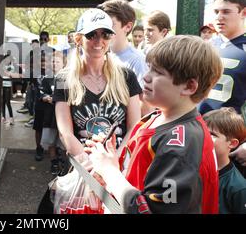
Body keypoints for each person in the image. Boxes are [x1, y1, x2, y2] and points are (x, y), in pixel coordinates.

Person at [87, 35, 222, 214]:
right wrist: (110, 161)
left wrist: (109, 172)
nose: (146, 77)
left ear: (189, 86)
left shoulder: (182, 145)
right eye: (149, 68)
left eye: (158, 72)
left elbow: (150, 210)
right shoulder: (155, 117)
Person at [53, 8, 141, 165]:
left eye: (105, 34)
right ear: (78, 39)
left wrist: (115, 163)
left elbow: (134, 127)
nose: (99, 41)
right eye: (92, 34)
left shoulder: (127, 76)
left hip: (120, 166)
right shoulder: (63, 78)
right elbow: (65, 133)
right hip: (83, 167)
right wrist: (91, 167)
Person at [199, 0, 246, 115]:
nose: (219, 17)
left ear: (243, 13)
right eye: (216, 12)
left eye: (226, 12)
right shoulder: (204, 46)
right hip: (198, 125)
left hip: (230, 130)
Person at [203, 107, 246, 214]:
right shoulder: (189, 169)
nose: (204, 137)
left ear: (232, 143)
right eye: (202, 131)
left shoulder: (239, 187)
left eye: (212, 134)